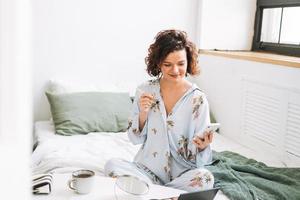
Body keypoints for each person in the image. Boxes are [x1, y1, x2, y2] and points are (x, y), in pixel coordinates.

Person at [104, 29, 214, 192]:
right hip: (147, 170)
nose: (175, 70)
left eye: (181, 64)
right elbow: (135, 138)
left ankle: (151, 192)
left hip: (183, 172)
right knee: (112, 165)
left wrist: (203, 146)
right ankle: (166, 193)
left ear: (188, 61)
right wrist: (143, 113)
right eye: (167, 64)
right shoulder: (145, 90)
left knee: (205, 178)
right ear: (158, 63)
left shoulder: (198, 99)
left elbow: (200, 158)